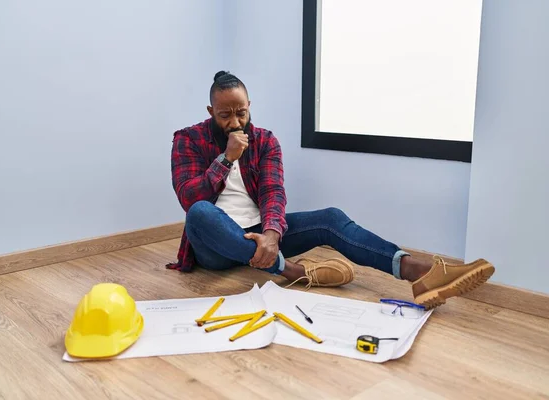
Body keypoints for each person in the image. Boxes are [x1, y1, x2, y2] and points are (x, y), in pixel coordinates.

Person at [167, 70, 495, 309]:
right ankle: (290, 270)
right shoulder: (188, 139)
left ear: (249, 105)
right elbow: (189, 197)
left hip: (259, 235)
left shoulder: (265, 140)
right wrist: (225, 159)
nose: (235, 121)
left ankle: (415, 271)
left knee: (330, 218)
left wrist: (270, 233)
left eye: (242, 112)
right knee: (200, 213)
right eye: (225, 115)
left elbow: (273, 193)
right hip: (216, 247)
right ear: (211, 112)